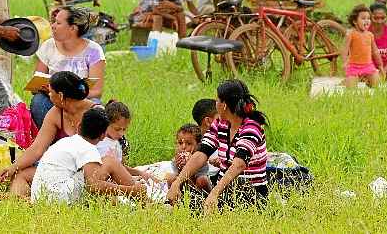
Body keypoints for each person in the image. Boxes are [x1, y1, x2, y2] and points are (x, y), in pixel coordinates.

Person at [167, 79, 269, 212]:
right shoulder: (221, 124)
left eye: (217, 100)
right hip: (224, 191)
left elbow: (239, 164)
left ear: (224, 105)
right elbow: (201, 153)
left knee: (239, 183)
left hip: (250, 193)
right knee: (180, 188)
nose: (215, 104)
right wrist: (178, 182)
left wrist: (214, 193)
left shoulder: (251, 127)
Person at [0, 71, 99, 197]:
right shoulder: (56, 113)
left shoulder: (95, 112)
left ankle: (23, 200)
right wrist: (13, 168)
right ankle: (20, 202)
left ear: (60, 95)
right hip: (62, 170)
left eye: (51, 92)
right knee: (21, 174)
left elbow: (105, 150)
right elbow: (37, 148)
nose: (49, 96)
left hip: (89, 172)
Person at [31, 108, 146, 204]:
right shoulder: (88, 148)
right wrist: (130, 190)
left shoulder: (64, 142)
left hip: (39, 198)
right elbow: (94, 186)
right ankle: (145, 200)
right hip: (58, 200)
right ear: (102, 136)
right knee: (110, 162)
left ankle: (138, 197)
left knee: (101, 172)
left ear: (79, 126)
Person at [30, 6, 106, 129]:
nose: (53, 26)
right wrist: (47, 89)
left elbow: (97, 91)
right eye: (53, 22)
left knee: (96, 108)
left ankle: (85, 142)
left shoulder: (94, 50)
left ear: (72, 28)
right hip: (53, 100)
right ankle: (50, 142)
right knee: (38, 101)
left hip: (81, 100)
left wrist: (71, 96)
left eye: (58, 23)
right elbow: (36, 84)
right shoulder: (48, 46)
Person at [96, 100, 154, 181]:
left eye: (124, 129)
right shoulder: (98, 143)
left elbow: (121, 168)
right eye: (117, 129)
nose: (121, 134)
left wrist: (140, 173)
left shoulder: (116, 143)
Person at [342, 4, 385, 88]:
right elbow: (344, 49)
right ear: (355, 21)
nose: (367, 21)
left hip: (368, 66)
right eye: (363, 18)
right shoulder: (350, 34)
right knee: (351, 88)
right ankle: (347, 80)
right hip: (353, 66)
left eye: (368, 18)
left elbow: (375, 51)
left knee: (377, 84)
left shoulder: (370, 35)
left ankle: (366, 80)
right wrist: (344, 62)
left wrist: (380, 66)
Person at [167, 123, 212, 192]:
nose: (183, 147)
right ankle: (175, 199)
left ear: (198, 145)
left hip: (198, 189)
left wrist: (190, 165)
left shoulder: (201, 160)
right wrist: (180, 168)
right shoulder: (176, 160)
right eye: (180, 143)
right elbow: (179, 179)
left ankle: (206, 200)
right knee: (170, 178)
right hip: (184, 189)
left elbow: (195, 181)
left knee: (202, 180)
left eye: (189, 143)